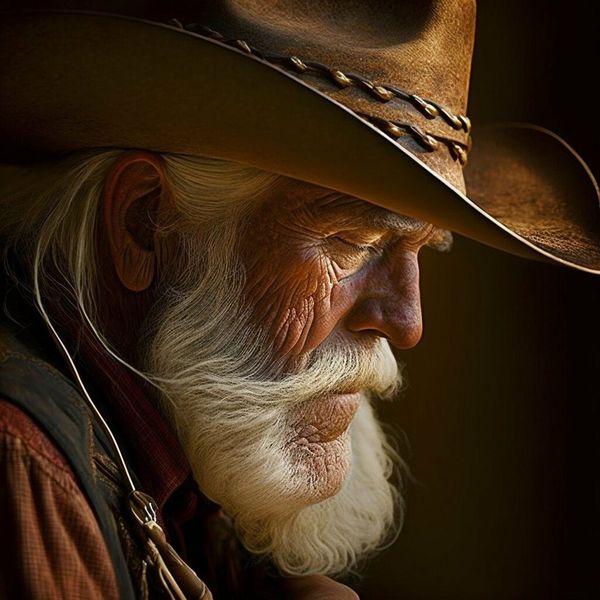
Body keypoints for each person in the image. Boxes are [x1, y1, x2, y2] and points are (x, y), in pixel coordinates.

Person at [1, 2, 598, 599]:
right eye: (353, 243)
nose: (406, 322)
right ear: (144, 223)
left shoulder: (184, 452)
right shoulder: (27, 473)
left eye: (419, 248)